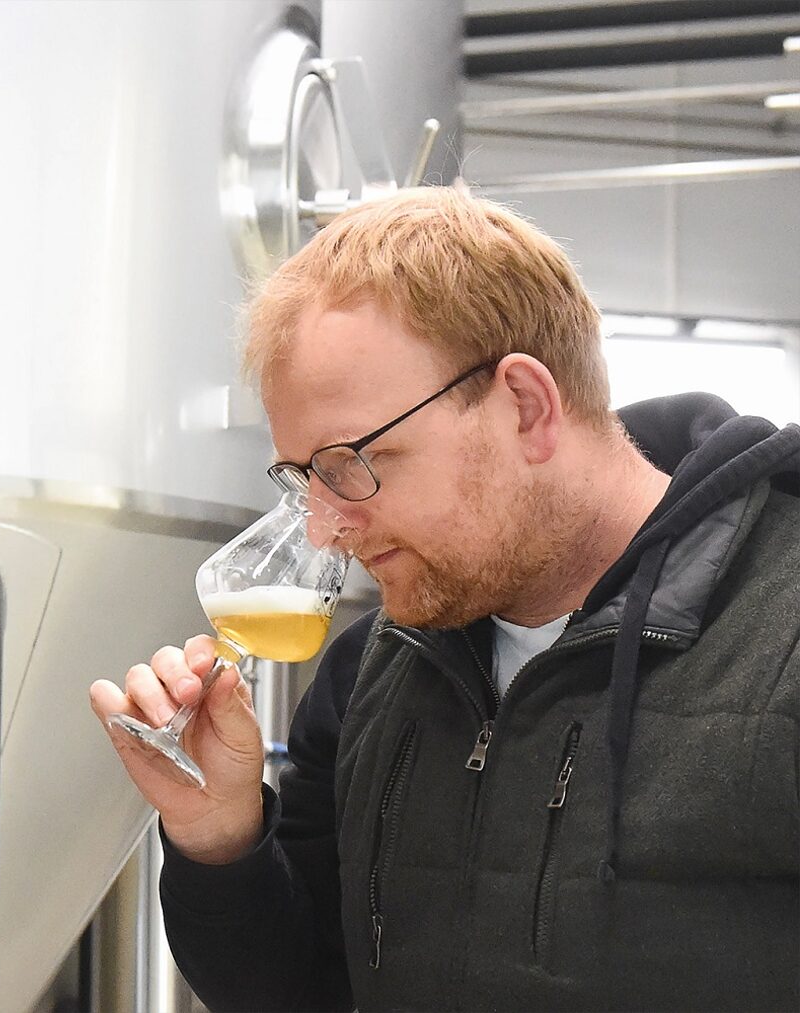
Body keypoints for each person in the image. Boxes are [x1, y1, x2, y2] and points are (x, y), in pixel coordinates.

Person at [89, 187, 800, 1011]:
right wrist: (220, 840)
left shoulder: (778, 631)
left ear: (527, 408)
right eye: (306, 479)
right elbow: (302, 992)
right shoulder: (373, 668)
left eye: (354, 460)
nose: (325, 531)